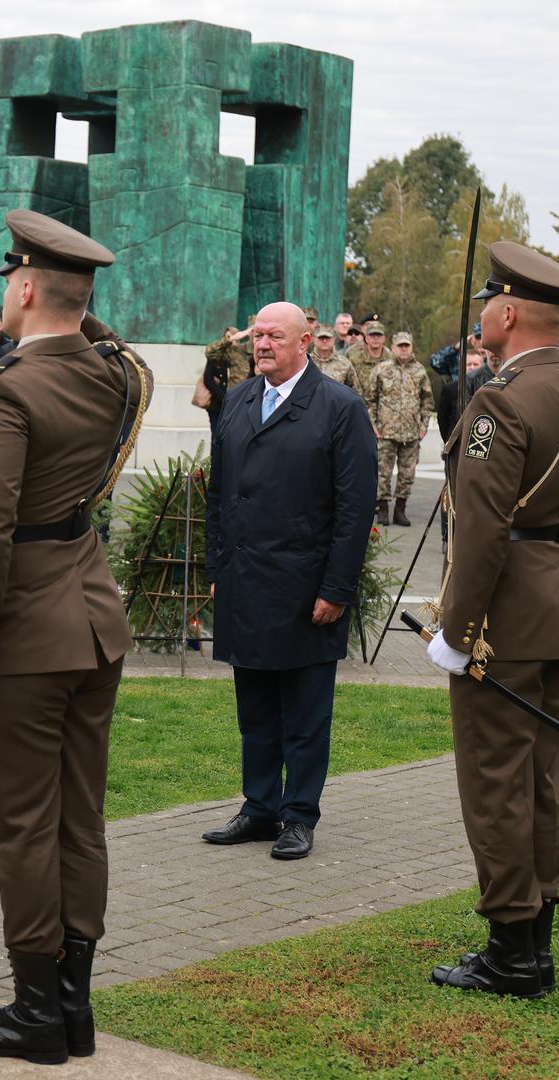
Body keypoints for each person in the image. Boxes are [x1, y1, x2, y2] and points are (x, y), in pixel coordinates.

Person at [0, 210, 151, 1066]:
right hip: (91, 620)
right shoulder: (110, 377)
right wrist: (73, 305)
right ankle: (72, 1007)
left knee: (22, 824)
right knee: (77, 821)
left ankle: (37, 1012)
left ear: (23, 287)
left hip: (25, 632)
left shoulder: (4, 390)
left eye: (10, 282)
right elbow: (105, 342)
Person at [423, 241, 559, 1001]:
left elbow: (479, 527)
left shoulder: (497, 403)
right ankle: (534, 946)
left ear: (505, 313)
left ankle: (509, 953)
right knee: (540, 774)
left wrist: (455, 629)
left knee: (496, 780)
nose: (480, 320)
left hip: (501, 618)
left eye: (484, 308)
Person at [202, 299, 377, 863]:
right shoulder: (238, 399)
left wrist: (336, 589)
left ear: (306, 342)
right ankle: (259, 806)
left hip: (304, 587)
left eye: (274, 335)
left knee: (303, 712)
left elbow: (354, 511)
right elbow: (217, 494)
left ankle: (298, 814)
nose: (261, 344)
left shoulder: (339, 407)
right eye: (257, 335)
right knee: (254, 707)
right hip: (245, 580)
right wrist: (215, 570)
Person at [366, 330, 435, 527]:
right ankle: (383, 508)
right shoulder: (381, 369)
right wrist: (373, 425)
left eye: (407, 346)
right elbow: (370, 399)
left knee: (407, 474)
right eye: (400, 346)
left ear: (411, 347)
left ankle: (400, 509)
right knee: (382, 472)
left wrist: (422, 425)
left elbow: (427, 401)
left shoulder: (420, 371)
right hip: (385, 431)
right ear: (393, 347)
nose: (404, 350)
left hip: (411, 433)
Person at [195, 321, 254, 437]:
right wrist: (230, 339)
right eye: (255, 332)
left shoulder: (270, 351)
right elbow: (210, 352)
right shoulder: (238, 352)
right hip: (236, 404)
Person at [438, 350, 484, 441]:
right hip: (457, 440)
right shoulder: (450, 388)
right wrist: (449, 440)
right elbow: (443, 418)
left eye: (475, 364)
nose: (472, 367)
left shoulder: (487, 386)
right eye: (468, 364)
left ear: (482, 367)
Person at [311, 325, 361, 394]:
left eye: (328, 338)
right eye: (321, 338)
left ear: (334, 339)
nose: (324, 340)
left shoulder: (345, 364)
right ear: (314, 339)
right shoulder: (305, 362)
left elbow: (355, 391)